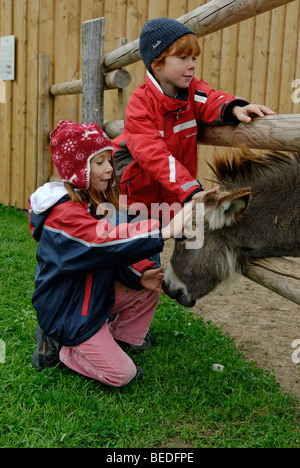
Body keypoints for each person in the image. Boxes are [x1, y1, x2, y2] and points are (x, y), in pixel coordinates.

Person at [29, 120, 193, 387]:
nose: (109, 168)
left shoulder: (92, 202)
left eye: (109, 160)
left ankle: (119, 339)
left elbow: (109, 255)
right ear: (78, 169)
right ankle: (65, 349)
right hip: (68, 310)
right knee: (122, 375)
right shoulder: (65, 216)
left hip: (91, 296)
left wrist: (139, 276)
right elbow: (104, 243)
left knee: (147, 287)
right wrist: (163, 231)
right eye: (99, 162)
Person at [113, 17, 275, 212]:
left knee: (185, 231)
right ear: (157, 63)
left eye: (193, 58)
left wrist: (233, 107)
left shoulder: (193, 91)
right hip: (141, 194)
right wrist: (190, 189)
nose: (191, 65)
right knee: (147, 239)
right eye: (183, 58)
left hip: (178, 191)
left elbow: (210, 99)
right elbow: (154, 156)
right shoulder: (140, 105)